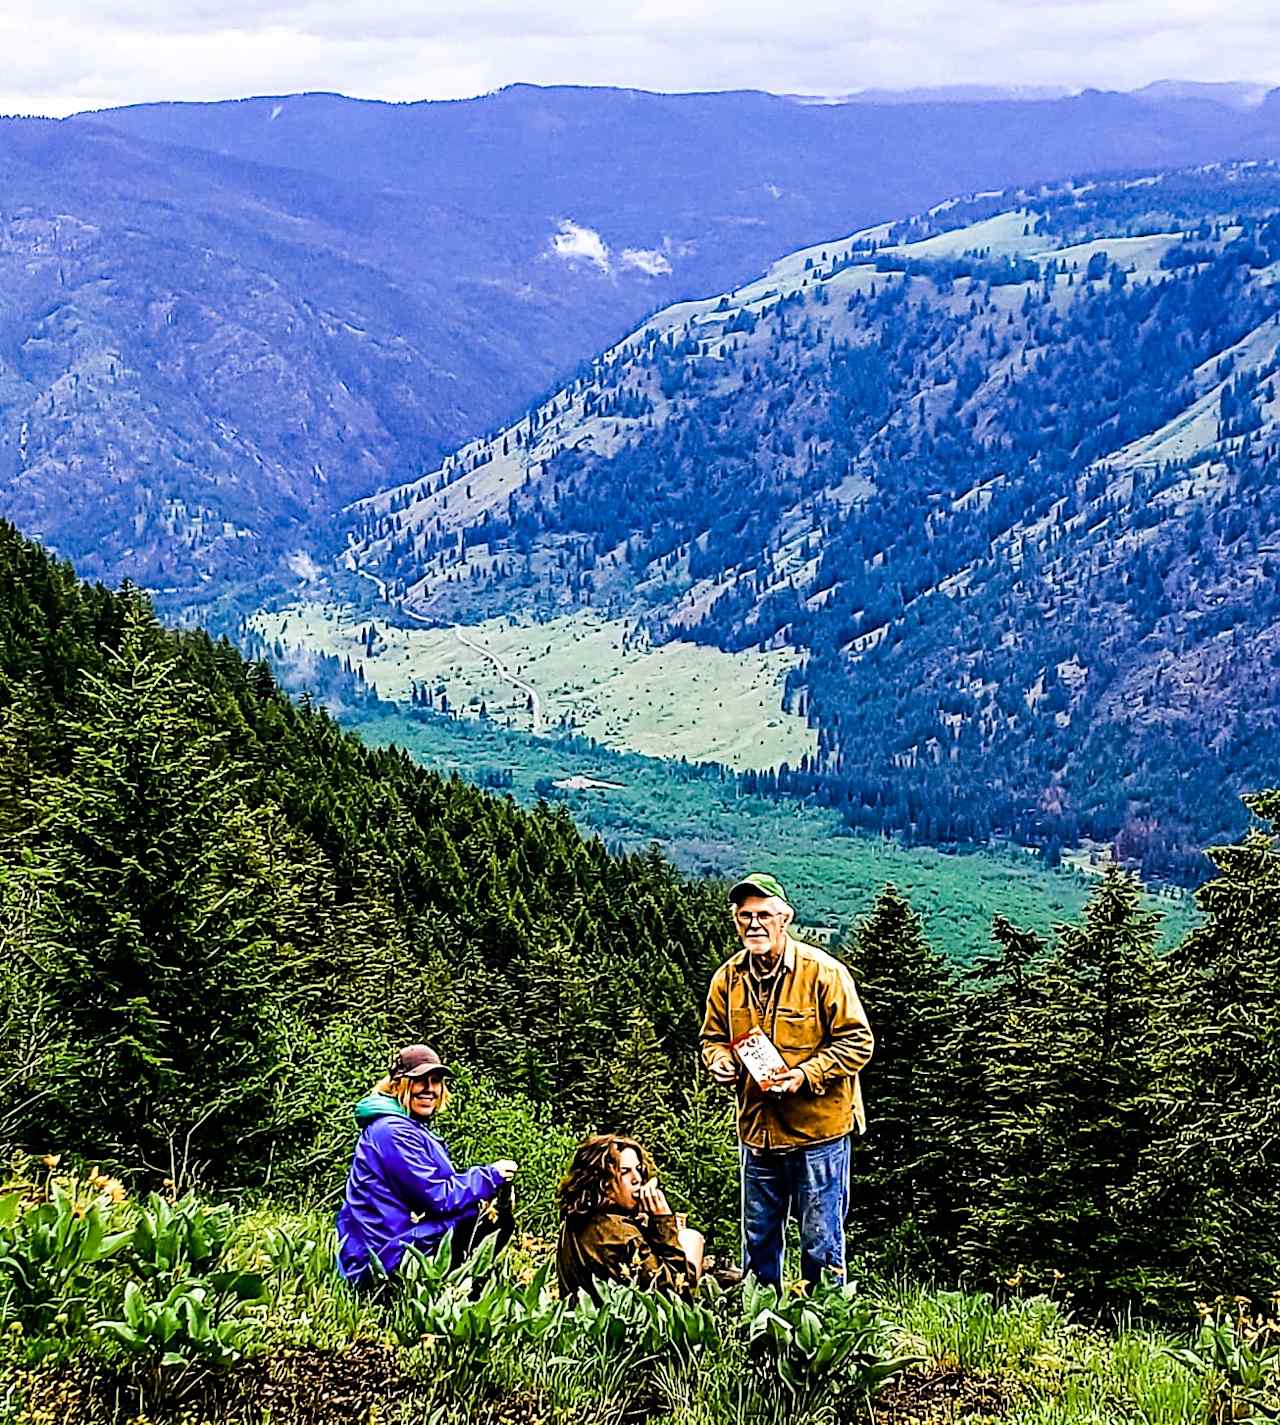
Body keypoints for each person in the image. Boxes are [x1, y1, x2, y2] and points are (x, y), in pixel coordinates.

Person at [700, 872, 874, 1292]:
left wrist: (803, 1075)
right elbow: (712, 1038)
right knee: (758, 1239)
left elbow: (859, 1042)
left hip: (818, 1133)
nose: (754, 925)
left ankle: (824, 1328)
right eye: (745, 916)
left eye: (763, 915)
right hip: (758, 1133)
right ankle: (760, 1326)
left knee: (820, 1241)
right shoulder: (727, 979)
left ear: (785, 918)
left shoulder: (823, 973)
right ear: (735, 920)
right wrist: (720, 1060)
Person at [336, 1043, 518, 1286]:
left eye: (436, 1081)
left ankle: (463, 1287)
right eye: (420, 1080)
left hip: (380, 1246)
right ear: (399, 1084)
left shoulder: (401, 1126)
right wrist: (489, 1177)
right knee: (479, 1218)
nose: (429, 1089)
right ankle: (460, 1293)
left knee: (483, 1212)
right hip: (379, 1258)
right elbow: (437, 1197)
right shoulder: (392, 1132)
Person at [556, 1134, 705, 1304]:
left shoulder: (575, 1220)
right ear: (604, 1182)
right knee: (691, 1238)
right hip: (624, 1327)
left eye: (638, 1169)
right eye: (625, 1172)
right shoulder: (621, 1235)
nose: (638, 1179)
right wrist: (664, 1222)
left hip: (582, 1324)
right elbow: (676, 1293)